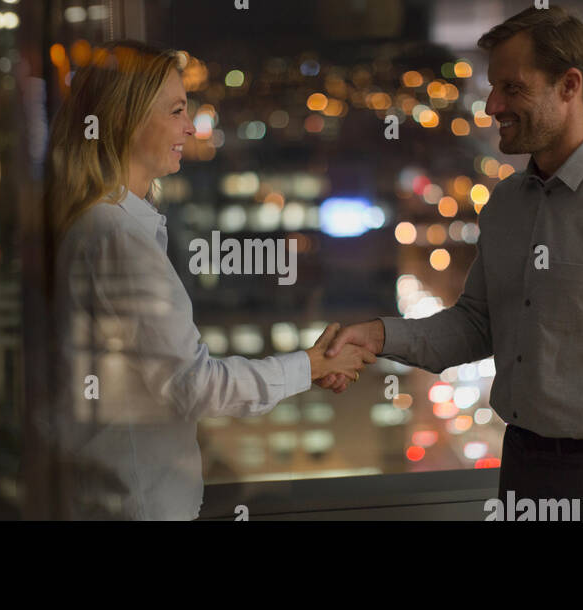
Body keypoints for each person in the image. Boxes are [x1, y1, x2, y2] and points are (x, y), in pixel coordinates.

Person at [320, 6, 583, 521]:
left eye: (511, 88)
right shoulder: (507, 204)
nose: (492, 105)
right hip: (520, 473)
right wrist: (376, 337)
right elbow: (475, 325)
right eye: (493, 88)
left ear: (569, 85)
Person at [45, 41, 374, 520]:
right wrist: (311, 366)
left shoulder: (106, 224)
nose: (189, 127)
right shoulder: (116, 235)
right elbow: (193, 385)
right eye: (177, 111)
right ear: (126, 118)